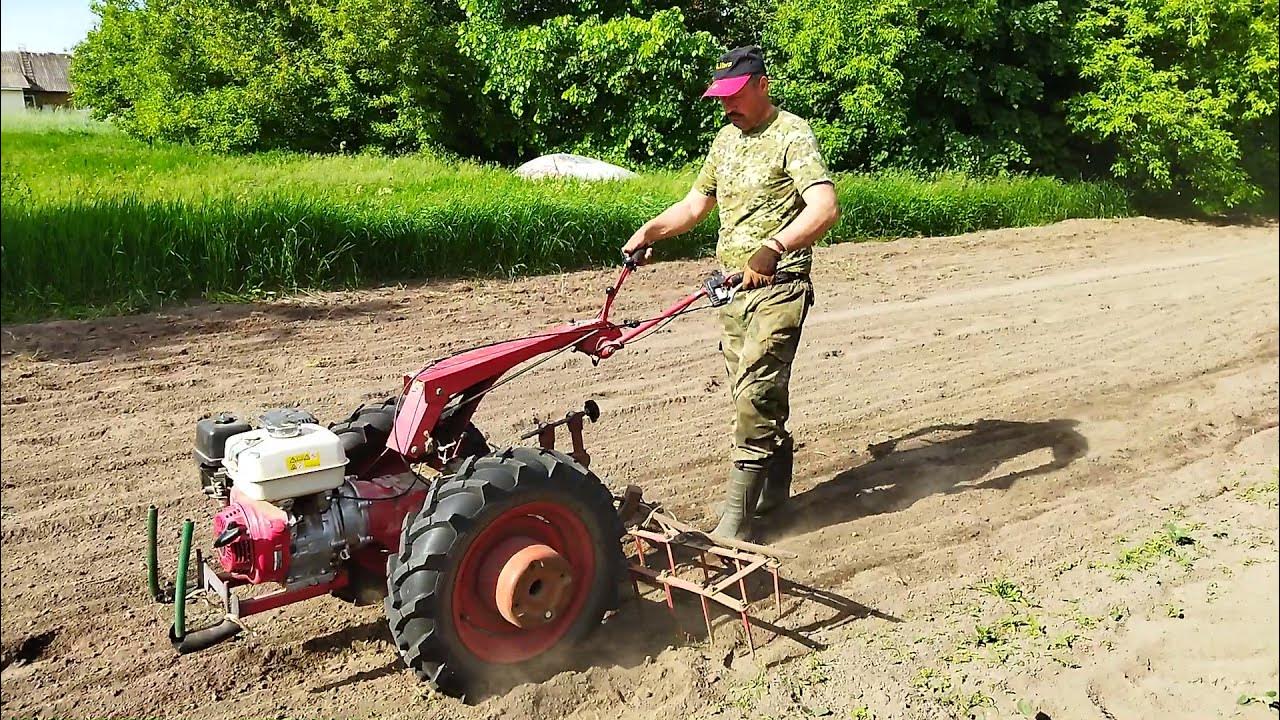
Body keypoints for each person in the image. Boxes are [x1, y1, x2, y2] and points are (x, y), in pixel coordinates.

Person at [621, 45, 840, 540]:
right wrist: (649, 232)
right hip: (731, 292)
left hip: (779, 286)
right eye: (721, 98)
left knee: (756, 392)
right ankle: (775, 481)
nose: (727, 106)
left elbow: (824, 206)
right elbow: (694, 206)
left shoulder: (792, 134)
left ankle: (734, 523)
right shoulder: (725, 140)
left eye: (735, 95)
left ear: (762, 84)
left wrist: (774, 246)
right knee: (752, 390)